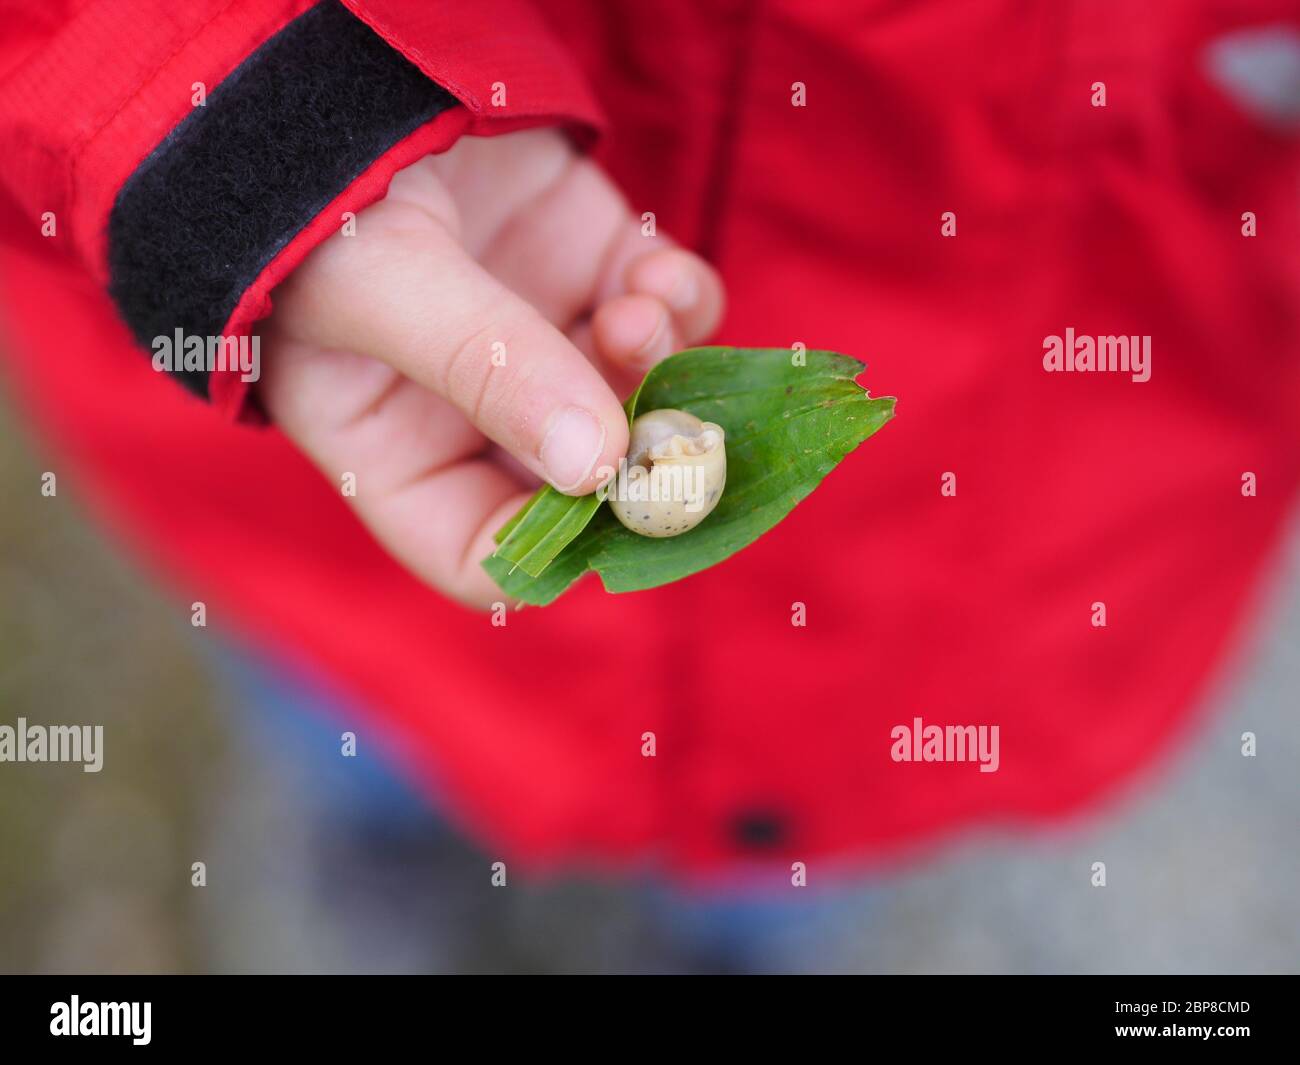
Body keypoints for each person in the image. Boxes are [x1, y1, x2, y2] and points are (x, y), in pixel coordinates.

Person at [1, 0, 1297, 888]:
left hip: (1000, 575)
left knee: (799, 856)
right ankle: (385, 842)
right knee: (355, 711)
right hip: (333, 435)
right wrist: (252, 112)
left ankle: (742, 924)